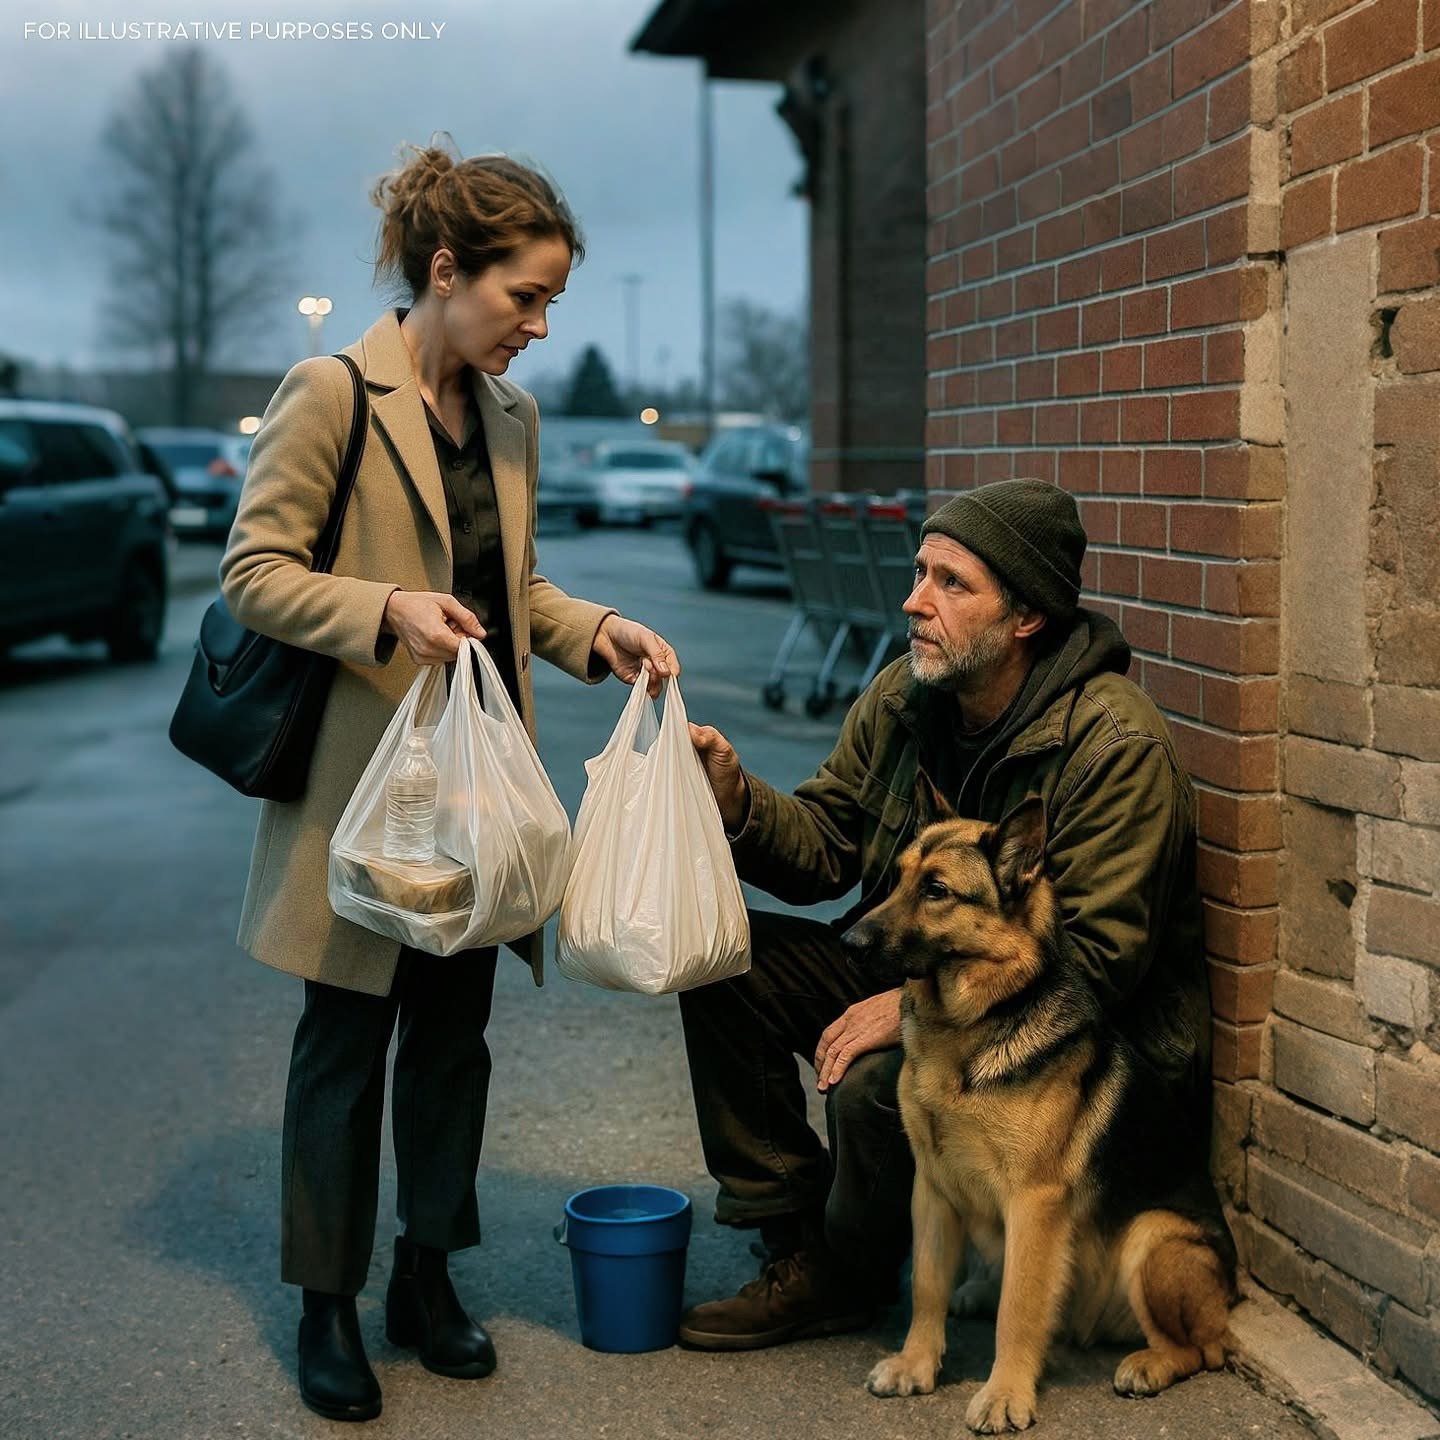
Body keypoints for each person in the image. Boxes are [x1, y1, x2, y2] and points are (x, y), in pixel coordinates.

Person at [220, 144, 678, 1423]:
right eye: (524, 297)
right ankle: (328, 1305)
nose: (537, 326)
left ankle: (427, 1278)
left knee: (452, 1047)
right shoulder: (332, 393)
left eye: (550, 305)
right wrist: (386, 610)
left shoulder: (512, 417)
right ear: (445, 270)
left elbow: (514, 587)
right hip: (360, 799)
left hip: (478, 796)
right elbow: (252, 573)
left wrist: (598, 633)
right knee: (345, 1049)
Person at [681, 478, 1210, 1350]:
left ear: (1026, 616)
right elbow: (825, 845)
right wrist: (738, 801)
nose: (912, 601)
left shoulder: (1118, 747)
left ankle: (849, 1279)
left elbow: (1103, 961)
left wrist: (907, 1009)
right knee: (719, 958)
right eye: (919, 572)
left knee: (874, 1091)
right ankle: (794, 1239)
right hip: (929, 975)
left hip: (1072, 1048)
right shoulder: (907, 694)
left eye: (949, 583)